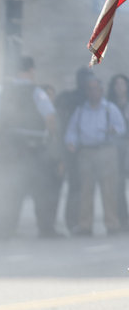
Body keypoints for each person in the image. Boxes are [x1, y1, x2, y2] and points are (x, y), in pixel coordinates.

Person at [0, 56, 59, 239]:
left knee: (9, 192)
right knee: (42, 192)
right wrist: (51, 139)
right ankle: (46, 230)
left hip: (9, 152)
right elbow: (50, 118)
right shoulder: (37, 93)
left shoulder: (3, 94)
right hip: (33, 151)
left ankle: (4, 232)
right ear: (31, 71)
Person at [64, 75, 126, 236]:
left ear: (101, 91)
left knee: (109, 190)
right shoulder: (80, 111)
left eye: (96, 89)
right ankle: (85, 225)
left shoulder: (109, 109)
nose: (93, 93)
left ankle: (112, 223)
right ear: (87, 92)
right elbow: (72, 131)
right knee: (85, 190)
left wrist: (114, 131)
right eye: (90, 90)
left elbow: (121, 127)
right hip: (86, 153)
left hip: (106, 151)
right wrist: (71, 142)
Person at [54, 67, 93, 233]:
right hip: (68, 147)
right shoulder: (77, 99)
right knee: (74, 187)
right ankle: (71, 221)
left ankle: (74, 221)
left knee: (77, 187)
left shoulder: (83, 98)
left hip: (76, 148)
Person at [106, 73, 129, 230]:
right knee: (118, 184)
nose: (120, 88)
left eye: (122, 84)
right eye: (117, 85)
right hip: (116, 148)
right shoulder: (108, 106)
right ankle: (123, 218)